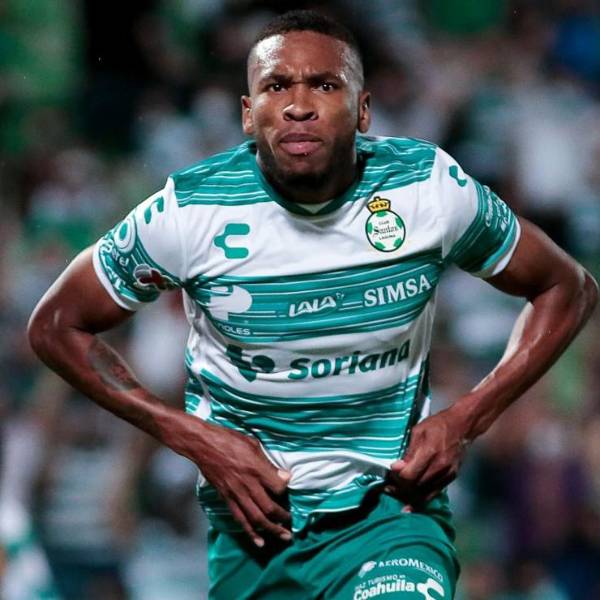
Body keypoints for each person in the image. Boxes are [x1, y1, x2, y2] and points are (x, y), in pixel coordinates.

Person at [28, 10, 598, 600]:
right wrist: (191, 437)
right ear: (248, 113)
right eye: (276, 86)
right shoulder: (190, 212)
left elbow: (567, 287)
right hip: (255, 535)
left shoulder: (426, 190)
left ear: (363, 109)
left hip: (391, 517)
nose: (298, 106)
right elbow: (55, 325)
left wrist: (466, 420)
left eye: (324, 85)